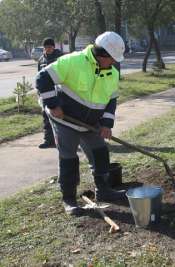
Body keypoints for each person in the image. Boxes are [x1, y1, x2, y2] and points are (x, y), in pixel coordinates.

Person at [36, 31, 126, 216]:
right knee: (69, 159)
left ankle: (103, 190)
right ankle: (69, 200)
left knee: (100, 153)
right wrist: (53, 105)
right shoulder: (73, 61)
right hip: (65, 120)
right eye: (112, 59)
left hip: (91, 123)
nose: (115, 62)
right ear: (102, 54)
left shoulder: (113, 73)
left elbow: (111, 100)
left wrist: (107, 124)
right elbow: (42, 78)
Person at [37, 38, 63, 149]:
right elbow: (39, 76)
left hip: (59, 92)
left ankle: (63, 141)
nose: (48, 49)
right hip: (45, 93)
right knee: (46, 117)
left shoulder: (60, 58)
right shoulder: (41, 59)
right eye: (46, 47)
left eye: (50, 47)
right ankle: (49, 140)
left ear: (54, 47)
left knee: (61, 117)